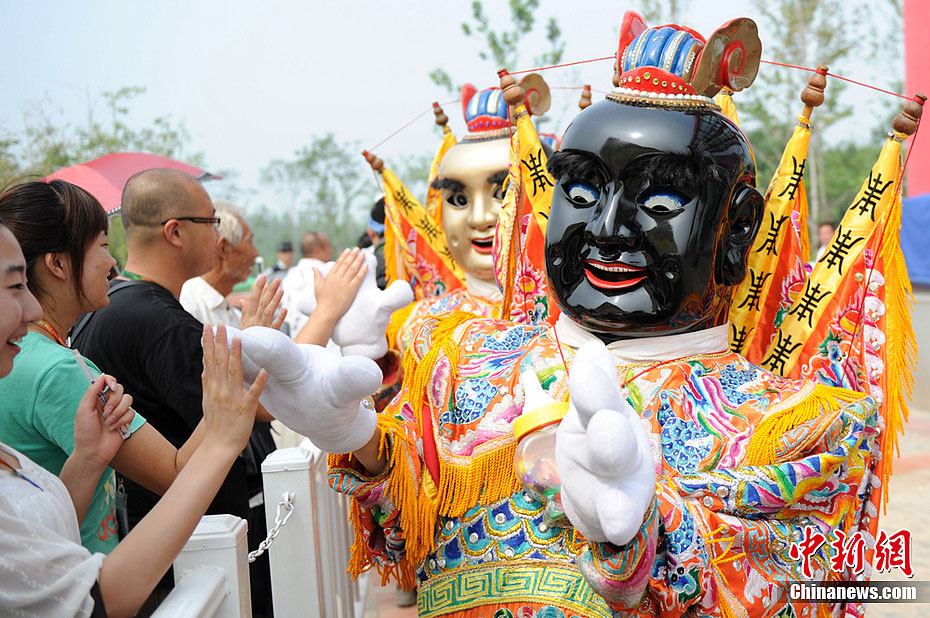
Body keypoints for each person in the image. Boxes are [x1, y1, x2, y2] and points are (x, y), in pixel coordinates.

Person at [238, 14, 884, 617]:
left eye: (659, 203)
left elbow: (805, 580)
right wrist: (362, 442)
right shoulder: (465, 362)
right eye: (580, 193)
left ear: (737, 228)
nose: (605, 230)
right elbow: (410, 542)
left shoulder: (802, 427)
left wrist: (643, 536)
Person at [0, 219, 267, 616]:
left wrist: (90, 459)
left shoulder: (54, 353)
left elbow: (46, 532)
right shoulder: (57, 366)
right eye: (102, 245)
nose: (112, 262)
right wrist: (221, 437)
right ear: (57, 264)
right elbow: (100, 596)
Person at [68, 169, 286, 615]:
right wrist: (254, 350)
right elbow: (246, 411)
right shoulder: (159, 322)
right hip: (196, 549)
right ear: (176, 231)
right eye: (212, 222)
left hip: (161, 543)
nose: (218, 237)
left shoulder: (118, 306)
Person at [280, 230, 333, 337]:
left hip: (297, 341)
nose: (331, 250)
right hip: (325, 344)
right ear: (318, 250)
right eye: (328, 246)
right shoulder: (327, 272)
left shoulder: (289, 276)